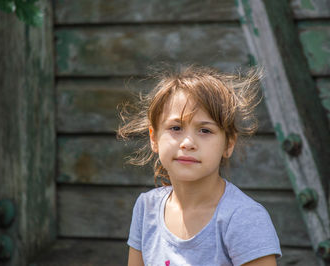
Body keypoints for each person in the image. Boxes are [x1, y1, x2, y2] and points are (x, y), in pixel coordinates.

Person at [117, 65, 282, 266]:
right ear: (154, 138)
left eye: (205, 130)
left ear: (228, 144)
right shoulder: (146, 208)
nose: (188, 143)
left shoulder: (243, 218)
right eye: (176, 128)